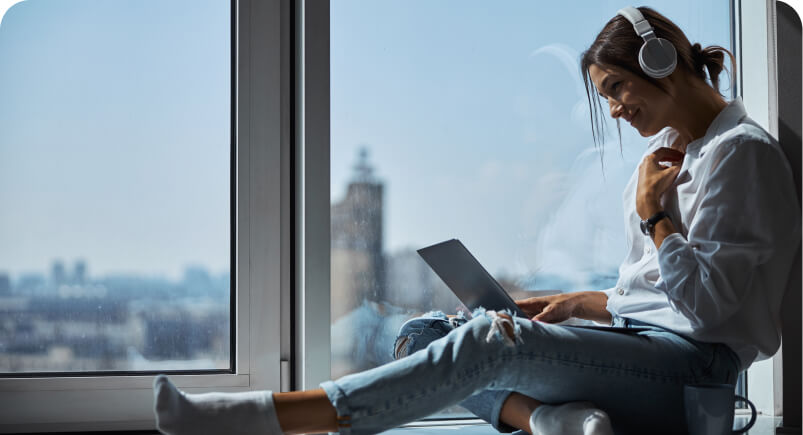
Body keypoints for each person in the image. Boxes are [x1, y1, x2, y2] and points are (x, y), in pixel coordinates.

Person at [151, 6, 800, 435]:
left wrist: (655, 216)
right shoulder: (673, 156)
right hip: (643, 349)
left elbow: (709, 311)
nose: (617, 108)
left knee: (489, 341)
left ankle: (256, 415)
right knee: (424, 328)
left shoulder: (741, 157)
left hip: (690, 376)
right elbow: (661, 296)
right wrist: (576, 302)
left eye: (616, 88)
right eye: (605, 95)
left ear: (659, 60)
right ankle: (550, 420)